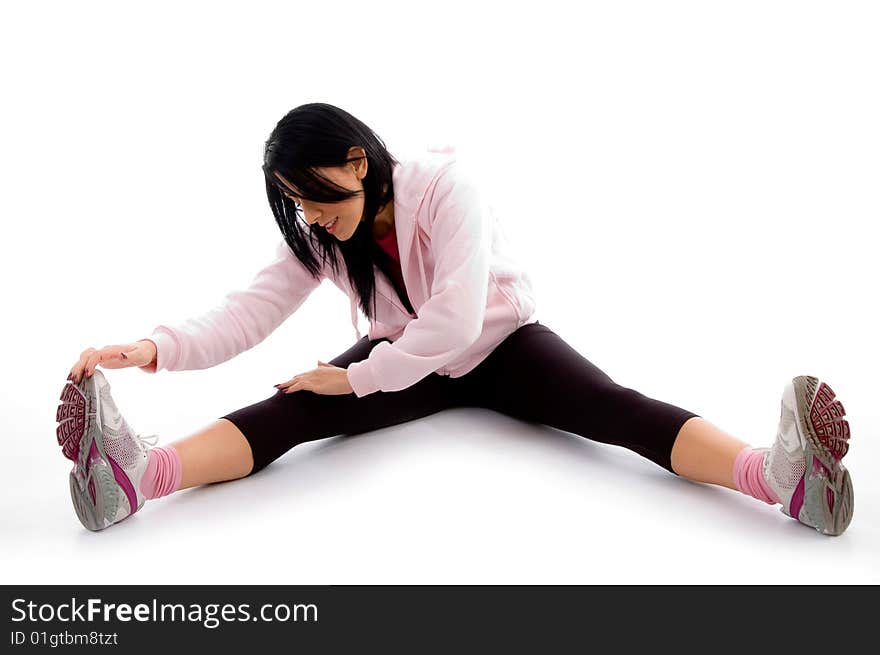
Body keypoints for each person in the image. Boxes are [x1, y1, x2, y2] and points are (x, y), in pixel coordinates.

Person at [55, 103, 854, 536]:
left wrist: (360, 374)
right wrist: (151, 347)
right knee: (289, 410)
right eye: (295, 203)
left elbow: (460, 315)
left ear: (358, 163)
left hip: (502, 346)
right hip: (404, 357)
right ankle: (134, 478)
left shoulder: (446, 186)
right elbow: (245, 312)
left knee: (618, 411)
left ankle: (782, 480)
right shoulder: (323, 236)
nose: (311, 216)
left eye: (316, 194)